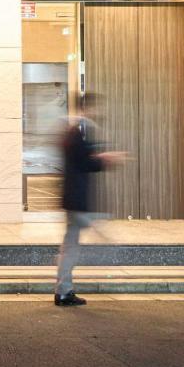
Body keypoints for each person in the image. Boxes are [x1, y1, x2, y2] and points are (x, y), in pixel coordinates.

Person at [54, 93, 123, 307]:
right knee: (74, 245)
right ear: (86, 108)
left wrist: (100, 159)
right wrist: (103, 159)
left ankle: (64, 289)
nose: (97, 112)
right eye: (94, 107)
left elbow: (81, 160)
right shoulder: (75, 132)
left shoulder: (73, 131)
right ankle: (64, 291)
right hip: (76, 199)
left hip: (73, 198)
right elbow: (83, 162)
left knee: (70, 245)